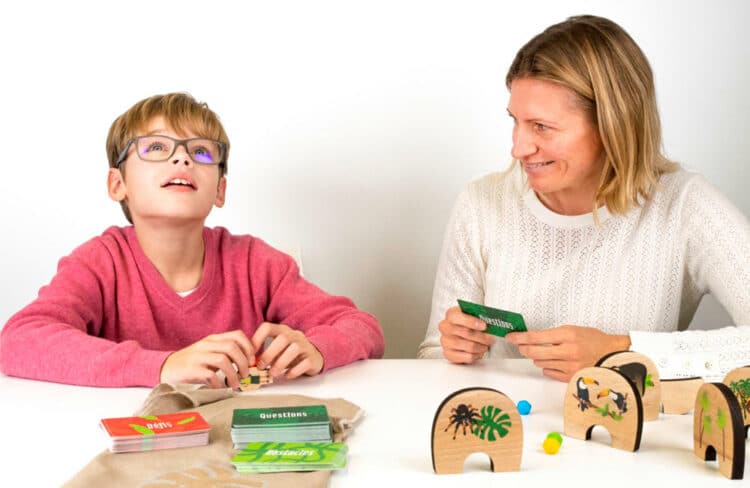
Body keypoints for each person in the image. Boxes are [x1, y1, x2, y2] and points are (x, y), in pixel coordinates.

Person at [417, 15, 750, 382]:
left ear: (612, 124)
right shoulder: (482, 203)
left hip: (629, 436)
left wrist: (622, 351)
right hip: (513, 431)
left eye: (541, 126)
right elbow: (435, 356)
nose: (518, 148)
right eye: (515, 121)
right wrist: (453, 349)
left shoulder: (685, 206)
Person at [0, 93, 384, 388]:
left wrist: (316, 349)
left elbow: (361, 326)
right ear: (118, 184)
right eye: (156, 148)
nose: (182, 160)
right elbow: (18, 340)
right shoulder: (99, 263)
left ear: (220, 189)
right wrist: (164, 366)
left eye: (201, 151)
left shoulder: (257, 264)